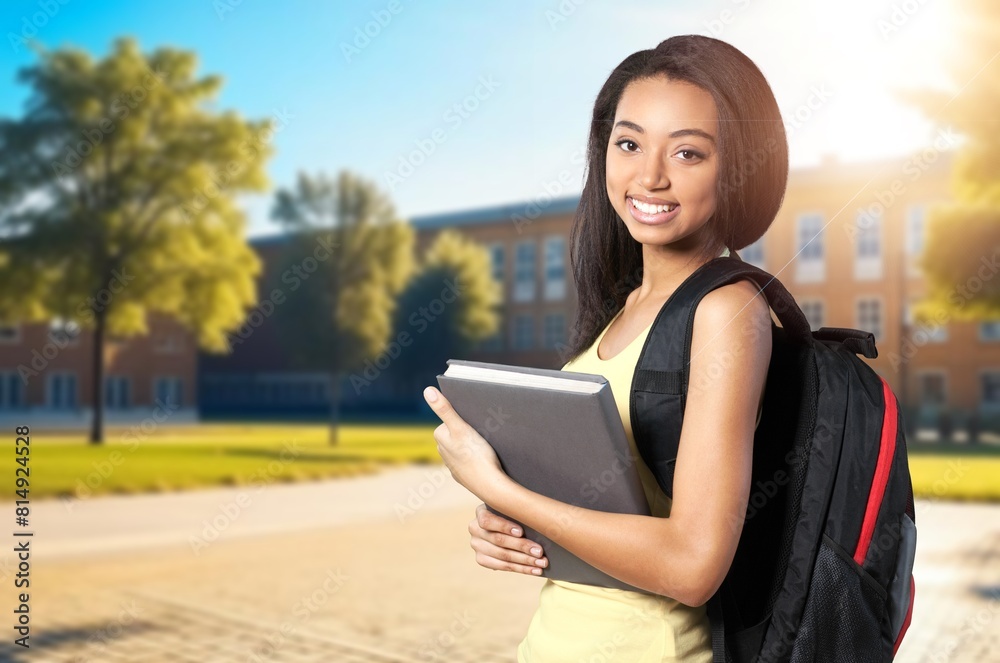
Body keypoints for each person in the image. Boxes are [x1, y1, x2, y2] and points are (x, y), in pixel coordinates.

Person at [423, 34, 787, 662]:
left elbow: (692, 564)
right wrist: (515, 528)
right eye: (629, 143)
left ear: (739, 166)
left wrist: (501, 489)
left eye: (689, 152)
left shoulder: (727, 311)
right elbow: (609, 507)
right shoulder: (623, 307)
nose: (650, 175)